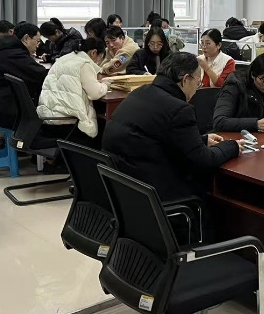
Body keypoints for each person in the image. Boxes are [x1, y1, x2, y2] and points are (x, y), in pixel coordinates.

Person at [102, 52, 246, 206]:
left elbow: (158, 135)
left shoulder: (139, 92)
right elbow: (204, 159)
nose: (196, 90)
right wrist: (232, 146)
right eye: (198, 83)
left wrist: (203, 140)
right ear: (185, 79)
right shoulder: (179, 109)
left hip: (123, 185)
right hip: (154, 192)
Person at [37, 38, 109, 146]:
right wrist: (105, 85)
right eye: (101, 57)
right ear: (94, 53)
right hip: (68, 122)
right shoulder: (84, 63)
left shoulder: (63, 59)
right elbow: (95, 93)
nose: (99, 62)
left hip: (47, 118)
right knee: (101, 128)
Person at [0, 22, 48, 128]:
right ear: (26, 38)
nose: (38, 45)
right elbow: (41, 75)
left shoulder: (5, 49)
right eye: (37, 41)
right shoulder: (14, 53)